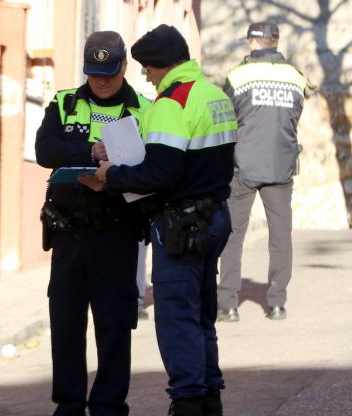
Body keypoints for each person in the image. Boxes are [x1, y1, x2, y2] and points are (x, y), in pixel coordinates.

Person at [83, 24, 237, 416]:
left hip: (181, 226)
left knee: (176, 319)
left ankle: (187, 401)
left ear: (158, 66)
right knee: (202, 316)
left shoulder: (172, 103)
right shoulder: (213, 95)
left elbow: (160, 173)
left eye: (147, 69)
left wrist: (111, 175)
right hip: (214, 216)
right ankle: (209, 398)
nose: (146, 77)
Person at [35, 30, 151, 416]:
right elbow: (44, 149)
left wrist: (113, 171)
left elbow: (152, 166)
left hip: (116, 232)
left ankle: (109, 406)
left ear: (124, 67)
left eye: (109, 72)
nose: (101, 80)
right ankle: (69, 405)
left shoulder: (144, 109)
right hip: (69, 232)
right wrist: (88, 150)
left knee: (114, 326)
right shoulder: (65, 102)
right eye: (94, 72)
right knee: (66, 324)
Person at [216, 21, 307, 322]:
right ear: (276, 42)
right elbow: (294, 117)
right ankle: (278, 303)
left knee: (232, 235)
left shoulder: (238, 76)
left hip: (243, 166)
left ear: (253, 44)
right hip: (281, 166)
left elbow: (227, 120)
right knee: (281, 237)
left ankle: (228, 305)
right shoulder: (295, 77)